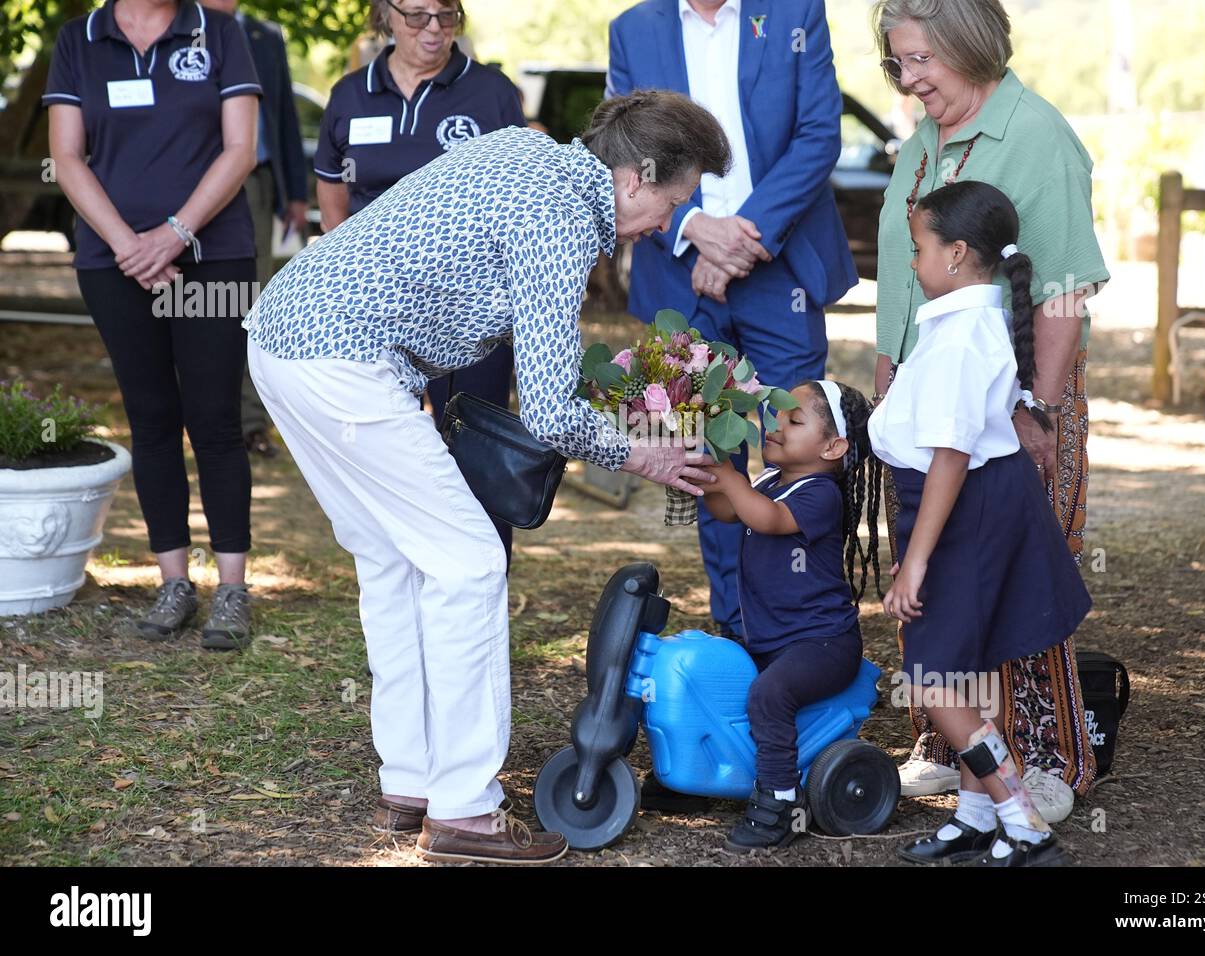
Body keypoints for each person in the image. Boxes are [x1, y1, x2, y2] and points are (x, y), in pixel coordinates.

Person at [242, 91, 730, 864]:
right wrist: (643, 453)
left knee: (396, 559)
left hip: (284, 337)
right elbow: (546, 410)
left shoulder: (528, 150)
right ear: (637, 176)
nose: (668, 223)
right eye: (673, 201)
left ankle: (411, 780)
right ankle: (465, 812)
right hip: (339, 360)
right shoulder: (561, 219)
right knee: (469, 561)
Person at [871, 0, 1109, 822]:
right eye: (896, 64)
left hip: (1012, 402)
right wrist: (888, 367)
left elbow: (1063, 288)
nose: (908, 79)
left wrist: (1035, 408)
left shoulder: (1037, 134)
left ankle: (1051, 760)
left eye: (919, 61)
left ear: (966, 44)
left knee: (1017, 580)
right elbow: (906, 275)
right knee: (944, 579)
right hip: (930, 384)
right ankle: (956, 748)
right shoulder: (925, 138)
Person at [607, 0, 857, 647]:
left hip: (782, 265)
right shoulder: (633, 31)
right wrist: (694, 229)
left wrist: (745, 237)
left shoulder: (797, 9)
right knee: (703, 455)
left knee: (796, 448)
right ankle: (738, 623)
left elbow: (819, 134)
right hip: (676, 271)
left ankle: (807, 629)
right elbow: (625, 156)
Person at [872, 180, 1091, 866]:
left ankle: (1020, 820)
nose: (911, 263)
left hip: (963, 508)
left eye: (918, 248)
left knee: (934, 677)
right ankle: (973, 816)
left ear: (958, 253)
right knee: (964, 671)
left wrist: (915, 562)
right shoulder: (961, 323)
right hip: (979, 502)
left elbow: (950, 457)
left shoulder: (963, 336)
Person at [44, 0, 261, 649]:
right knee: (151, 416)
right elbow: (67, 157)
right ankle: (173, 581)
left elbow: (241, 147)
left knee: (216, 418)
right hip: (113, 265)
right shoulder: (78, 39)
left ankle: (232, 588)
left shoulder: (219, 31)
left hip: (214, 258)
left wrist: (173, 234)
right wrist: (128, 248)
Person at [314, 0, 528, 560]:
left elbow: (521, 197)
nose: (433, 30)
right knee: (390, 451)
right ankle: (409, 576)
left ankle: (483, 588)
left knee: (477, 449)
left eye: (446, 15)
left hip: (470, 309)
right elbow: (333, 200)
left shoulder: (491, 93)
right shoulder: (349, 93)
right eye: (416, 16)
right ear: (386, 15)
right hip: (377, 311)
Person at [699, 379, 881, 852]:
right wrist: (713, 460)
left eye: (794, 420)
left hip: (824, 643)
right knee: (722, 682)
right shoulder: (765, 482)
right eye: (775, 415)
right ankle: (702, 774)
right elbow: (724, 509)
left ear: (833, 446)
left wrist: (735, 482)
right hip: (773, 640)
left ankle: (780, 799)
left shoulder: (821, 493)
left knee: (769, 694)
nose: (775, 425)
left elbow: (768, 519)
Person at [200, 0, 309, 459]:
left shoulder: (265, 36)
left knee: (251, 305)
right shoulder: (179, 31)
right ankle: (200, 417)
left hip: (258, 185)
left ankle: (248, 423)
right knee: (196, 304)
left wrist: (296, 194)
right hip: (195, 185)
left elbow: (283, 115)